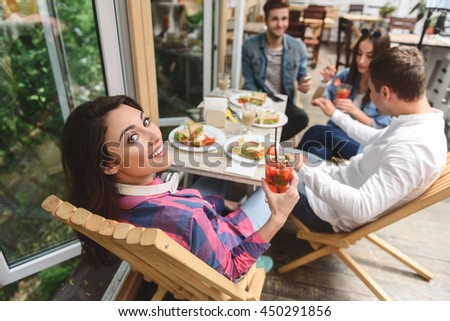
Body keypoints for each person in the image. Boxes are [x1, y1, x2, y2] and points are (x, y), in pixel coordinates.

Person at [61, 95, 300, 281]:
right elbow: (231, 270)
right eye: (132, 138)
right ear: (108, 164)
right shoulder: (190, 217)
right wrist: (278, 218)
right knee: (282, 180)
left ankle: (226, 203)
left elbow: (187, 208)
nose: (154, 135)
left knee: (218, 178)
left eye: (145, 121)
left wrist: (219, 204)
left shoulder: (112, 205)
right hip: (231, 243)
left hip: (200, 230)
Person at [289, 46, 447, 233]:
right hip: (332, 177)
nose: (370, 96)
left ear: (386, 93)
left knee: (264, 171)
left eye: (371, 90)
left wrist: (305, 170)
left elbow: (361, 208)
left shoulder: (414, 149)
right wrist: (336, 114)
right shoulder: (420, 122)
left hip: (324, 210)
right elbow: (375, 138)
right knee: (273, 154)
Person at [297, 27, 392, 160]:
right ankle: (291, 176)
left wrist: (354, 111)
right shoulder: (347, 75)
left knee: (317, 132)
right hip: (334, 135)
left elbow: (380, 130)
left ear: (381, 58)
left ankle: (284, 168)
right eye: (359, 54)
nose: (361, 61)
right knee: (317, 152)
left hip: (360, 144)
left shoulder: (385, 89)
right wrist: (325, 82)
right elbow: (316, 100)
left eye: (369, 56)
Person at [241, 0, 311, 142]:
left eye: (284, 18)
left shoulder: (298, 47)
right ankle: (263, 141)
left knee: (302, 118)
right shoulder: (249, 46)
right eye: (275, 19)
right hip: (258, 100)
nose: (280, 24)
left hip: (283, 102)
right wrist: (263, 104)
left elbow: (302, 76)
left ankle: (264, 142)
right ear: (266, 20)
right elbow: (248, 81)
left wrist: (304, 83)